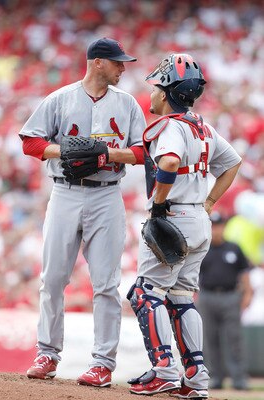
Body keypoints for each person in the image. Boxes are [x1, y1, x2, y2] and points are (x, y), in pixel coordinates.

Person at [19, 37, 146, 386]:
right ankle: (47, 353)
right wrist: (66, 152)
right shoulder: (60, 98)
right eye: (117, 62)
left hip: (107, 195)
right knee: (52, 280)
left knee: (106, 284)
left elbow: (141, 151)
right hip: (65, 193)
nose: (123, 68)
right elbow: (30, 142)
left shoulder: (128, 103)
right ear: (97, 63)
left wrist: (104, 155)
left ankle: (103, 363)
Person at [126, 53, 242, 398]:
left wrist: (159, 203)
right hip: (198, 219)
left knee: (146, 294)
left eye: (156, 86)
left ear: (166, 92)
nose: (152, 92)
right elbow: (232, 163)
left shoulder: (171, 126)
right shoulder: (202, 125)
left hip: (174, 216)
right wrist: (208, 203)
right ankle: (196, 378)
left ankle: (164, 370)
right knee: (180, 297)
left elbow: (171, 160)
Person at [197, 211, 253, 390]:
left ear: (224, 227)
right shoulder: (202, 249)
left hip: (230, 296)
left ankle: (239, 379)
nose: (217, 230)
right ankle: (215, 378)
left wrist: (247, 294)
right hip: (207, 296)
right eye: (213, 227)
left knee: (234, 339)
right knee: (209, 339)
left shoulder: (234, 248)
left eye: (219, 226)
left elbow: (244, 273)